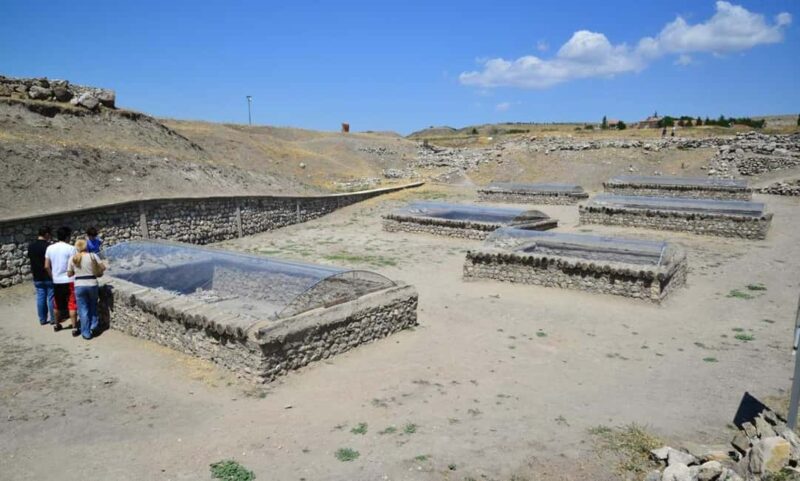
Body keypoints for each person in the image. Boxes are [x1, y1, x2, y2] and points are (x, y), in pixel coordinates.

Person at [67, 239, 105, 340]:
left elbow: (69, 274)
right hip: (92, 283)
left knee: (83, 310)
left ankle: (86, 333)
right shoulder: (93, 256)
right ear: (86, 246)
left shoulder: (73, 258)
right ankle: (94, 325)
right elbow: (103, 267)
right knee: (93, 305)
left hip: (79, 285)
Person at [45, 226, 78, 335]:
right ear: (68, 236)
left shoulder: (50, 248)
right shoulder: (71, 248)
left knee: (57, 304)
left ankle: (57, 324)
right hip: (69, 280)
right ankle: (74, 327)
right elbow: (74, 265)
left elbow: (46, 266)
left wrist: (53, 276)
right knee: (72, 304)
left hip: (56, 280)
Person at [28, 226, 55, 326]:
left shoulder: (31, 246)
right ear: (47, 234)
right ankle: (53, 318)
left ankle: (42, 319)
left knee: (40, 297)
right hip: (48, 275)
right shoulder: (49, 246)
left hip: (37, 275)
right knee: (51, 297)